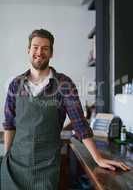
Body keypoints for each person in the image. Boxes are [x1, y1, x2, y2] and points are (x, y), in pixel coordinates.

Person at [1, 28, 130, 190]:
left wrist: (97, 158)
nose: (39, 52)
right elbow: (9, 124)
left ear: (51, 53)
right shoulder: (15, 84)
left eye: (45, 48)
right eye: (35, 47)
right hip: (14, 166)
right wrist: (7, 155)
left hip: (46, 167)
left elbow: (79, 123)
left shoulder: (64, 84)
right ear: (28, 50)